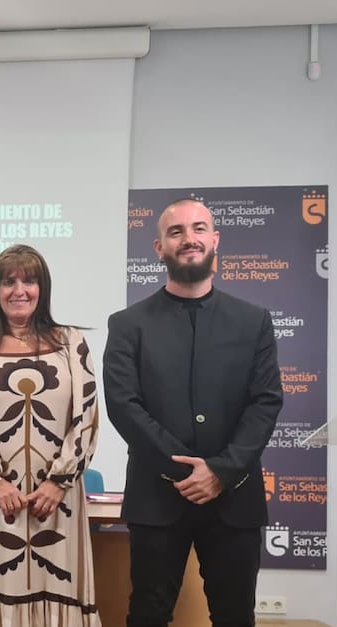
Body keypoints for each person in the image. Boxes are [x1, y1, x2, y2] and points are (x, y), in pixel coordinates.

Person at [103, 198, 282, 627]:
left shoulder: (253, 321)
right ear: (159, 247)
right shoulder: (128, 324)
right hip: (156, 497)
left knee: (235, 615)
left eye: (199, 229)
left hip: (234, 497)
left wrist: (220, 471)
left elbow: (265, 401)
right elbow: (124, 406)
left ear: (215, 239)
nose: (189, 239)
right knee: (147, 614)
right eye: (176, 231)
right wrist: (187, 471)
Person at [0, 244, 101, 625]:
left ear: (42, 288)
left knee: (54, 585)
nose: (19, 290)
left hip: (56, 504)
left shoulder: (70, 342)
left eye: (29, 281)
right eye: (8, 282)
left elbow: (87, 416)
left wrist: (59, 482)